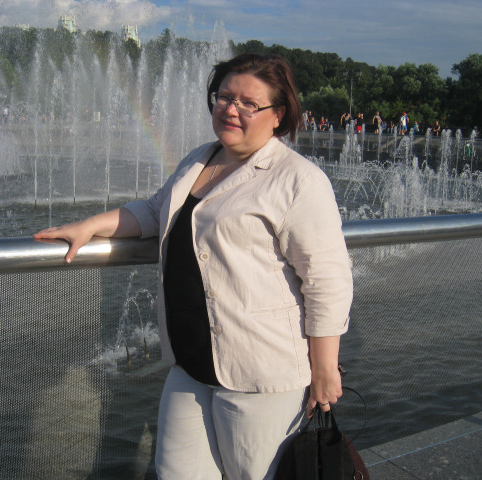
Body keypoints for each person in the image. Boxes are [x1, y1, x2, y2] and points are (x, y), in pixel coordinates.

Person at [34, 53, 353, 480]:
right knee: (177, 472)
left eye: (249, 103)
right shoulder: (201, 158)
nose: (231, 109)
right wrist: (91, 226)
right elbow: (155, 210)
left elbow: (327, 281)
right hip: (189, 364)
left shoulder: (297, 180)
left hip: (260, 373)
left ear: (278, 115)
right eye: (225, 97)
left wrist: (325, 369)